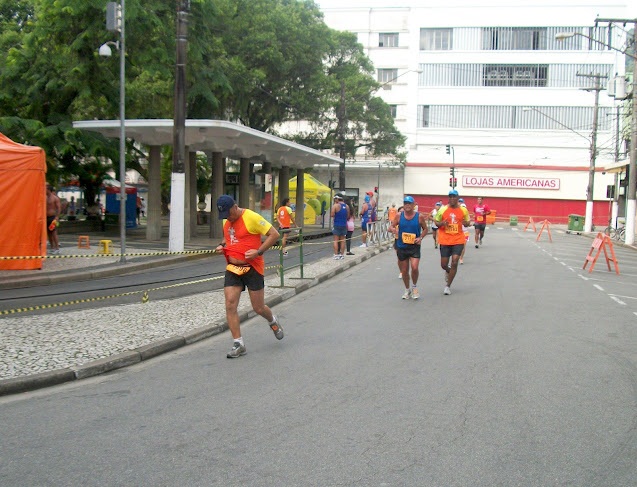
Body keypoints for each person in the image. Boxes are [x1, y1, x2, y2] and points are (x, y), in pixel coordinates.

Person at [214, 195, 283, 358]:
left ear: (235, 207)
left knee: (258, 307)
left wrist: (258, 251)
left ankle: (272, 320)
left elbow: (274, 234)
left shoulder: (251, 217)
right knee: (230, 305)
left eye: (228, 214)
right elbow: (229, 235)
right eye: (224, 215)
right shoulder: (226, 219)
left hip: (253, 267)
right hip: (233, 268)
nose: (227, 218)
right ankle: (238, 343)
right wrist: (222, 244)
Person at [389, 195, 428, 300]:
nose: (407, 205)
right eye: (405, 203)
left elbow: (425, 229)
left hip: (414, 246)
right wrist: (394, 230)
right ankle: (407, 289)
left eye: (409, 203)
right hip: (402, 246)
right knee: (404, 270)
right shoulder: (399, 215)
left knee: (414, 268)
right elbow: (391, 226)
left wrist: (420, 238)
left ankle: (414, 287)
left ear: (413, 205)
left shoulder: (419, 217)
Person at [434, 190, 471, 295]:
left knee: (455, 261)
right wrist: (442, 223)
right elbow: (436, 222)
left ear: (457, 197)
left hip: (458, 239)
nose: (452, 198)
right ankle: (448, 271)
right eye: (450, 197)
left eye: (454, 197)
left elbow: (468, 222)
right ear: (448, 198)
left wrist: (466, 223)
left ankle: (447, 286)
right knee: (444, 264)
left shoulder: (463, 210)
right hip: (445, 239)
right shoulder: (443, 209)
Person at [331, 194, 349, 259]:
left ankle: (336, 255)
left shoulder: (335, 206)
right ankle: (342, 255)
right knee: (343, 240)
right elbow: (348, 216)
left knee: (336, 240)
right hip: (344, 225)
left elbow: (332, 215)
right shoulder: (347, 206)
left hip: (337, 224)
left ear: (337, 199)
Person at [46, 184, 61, 254]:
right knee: (49, 232)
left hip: (53, 217)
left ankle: (57, 247)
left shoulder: (55, 198)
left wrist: (57, 217)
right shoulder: (45, 197)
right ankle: (52, 247)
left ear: (49, 190)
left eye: (46, 189)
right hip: (46, 217)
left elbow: (58, 208)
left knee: (54, 232)